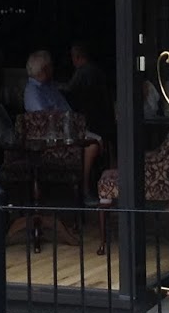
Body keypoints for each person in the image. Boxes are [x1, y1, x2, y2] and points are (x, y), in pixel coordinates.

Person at [24, 48, 102, 202]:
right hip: (55, 140)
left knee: (100, 140)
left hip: (69, 129)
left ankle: (102, 188)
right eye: (50, 66)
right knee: (93, 145)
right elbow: (43, 121)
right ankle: (85, 190)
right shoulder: (33, 91)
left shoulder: (49, 87)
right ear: (43, 69)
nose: (53, 69)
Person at [65, 42, 117, 145]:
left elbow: (70, 92)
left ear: (77, 57)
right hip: (105, 120)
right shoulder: (98, 71)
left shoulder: (82, 73)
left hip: (90, 121)